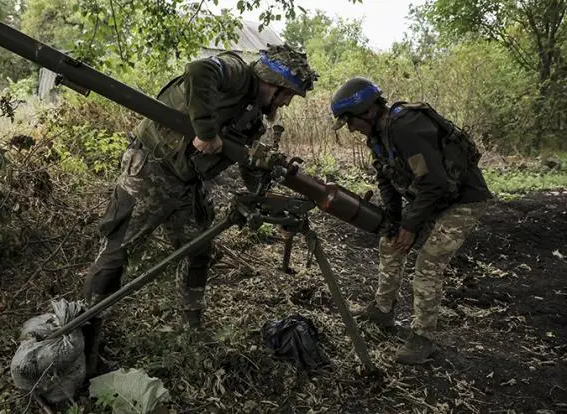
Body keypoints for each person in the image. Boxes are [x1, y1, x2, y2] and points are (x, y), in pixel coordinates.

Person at [82, 44, 318, 374]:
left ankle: (189, 326)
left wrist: (265, 180)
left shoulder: (254, 120)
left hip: (187, 183)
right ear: (272, 81)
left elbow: (249, 170)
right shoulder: (236, 72)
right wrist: (206, 132)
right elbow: (198, 70)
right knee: (116, 254)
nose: (286, 103)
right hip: (152, 168)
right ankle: (83, 340)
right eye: (286, 94)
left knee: (198, 250)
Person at [330, 77, 493, 365]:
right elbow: (387, 181)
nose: (351, 128)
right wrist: (394, 222)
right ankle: (383, 309)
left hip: (463, 200)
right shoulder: (378, 137)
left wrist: (411, 226)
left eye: (351, 121)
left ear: (367, 111)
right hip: (433, 198)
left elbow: (435, 182)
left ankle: (423, 338)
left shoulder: (406, 127)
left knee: (428, 263)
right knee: (390, 242)